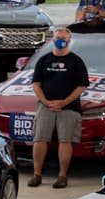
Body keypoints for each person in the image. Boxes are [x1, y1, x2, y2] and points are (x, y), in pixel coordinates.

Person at [28, 27, 88, 189]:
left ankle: (62, 176)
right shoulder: (44, 60)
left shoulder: (76, 61)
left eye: (64, 38)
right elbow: (36, 84)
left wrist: (64, 102)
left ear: (69, 41)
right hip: (45, 106)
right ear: (53, 40)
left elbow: (81, 86)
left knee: (65, 140)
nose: (60, 40)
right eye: (58, 37)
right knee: (39, 139)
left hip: (69, 108)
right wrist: (46, 101)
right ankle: (37, 174)